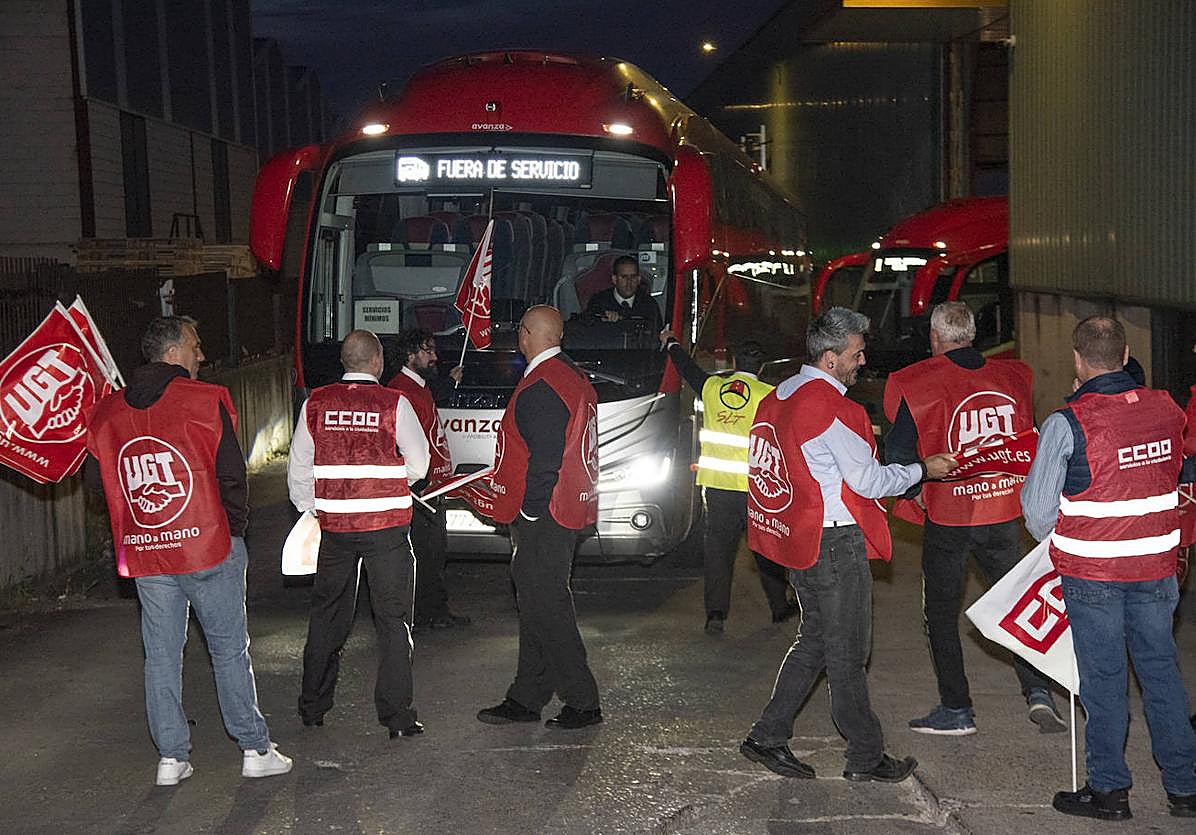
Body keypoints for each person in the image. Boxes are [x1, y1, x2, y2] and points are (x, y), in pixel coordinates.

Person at [739, 307, 956, 783]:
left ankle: (767, 736)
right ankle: (865, 754)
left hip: (800, 540)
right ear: (832, 357)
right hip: (834, 544)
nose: (863, 362)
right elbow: (870, 480)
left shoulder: (779, 396)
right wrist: (924, 469)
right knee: (849, 653)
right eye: (857, 354)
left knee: (815, 641)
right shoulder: (833, 408)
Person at [84, 316, 292, 786]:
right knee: (228, 651)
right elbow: (232, 474)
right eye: (195, 346)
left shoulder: (108, 411)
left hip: (147, 552)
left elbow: (98, 480)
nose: (201, 355)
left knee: (160, 654)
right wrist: (236, 531)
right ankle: (254, 747)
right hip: (208, 546)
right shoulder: (203, 399)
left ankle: (171, 758)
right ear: (174, 351)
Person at [1021, 316, 1196, 821]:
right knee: (1161, 673)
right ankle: (1184, 788)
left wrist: (1065, 538)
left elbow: (1036, 511)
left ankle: (1109, 791)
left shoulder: (1067, 421)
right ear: (1125, 356)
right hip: (1157, 570)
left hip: (1093, 575)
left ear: (1078, 360)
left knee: (1104, 680)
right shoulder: (1167, 408)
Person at [883, 301, 1064, 735]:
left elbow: (898, 452)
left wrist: (914, 491)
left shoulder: (917, 383)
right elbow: (1026, 441)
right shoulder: (1013, 376)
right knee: (1016, 605)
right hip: (1003, 513)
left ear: (934, 337)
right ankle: (1039, 692)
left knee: (941, 614)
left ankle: (957, 709)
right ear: (973, 335)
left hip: (950, 516)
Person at [288, 329, 430, 739]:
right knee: (393, 620)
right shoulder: (394, 404)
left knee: (327, 616)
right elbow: (418, 465)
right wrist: (385, 485)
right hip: (386, 528)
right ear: (377, 360)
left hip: (335, 529)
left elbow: (299, 467)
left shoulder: (316, 403)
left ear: (344, 361)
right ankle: (397, 718)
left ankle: (312, 708)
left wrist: (312, 509)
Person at [476, 305, 603, 730]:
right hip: (567, 507)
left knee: (547, 606)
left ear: (527, 335)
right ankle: (526, 696)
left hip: (546, 513)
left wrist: (527, 512)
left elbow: (544, 460)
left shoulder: (541, 385)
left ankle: (582, 701)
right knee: (534, 602)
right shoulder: (572, 375)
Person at [660, 330, 795, 633]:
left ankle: (716, 615)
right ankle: (779, 608)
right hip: (756, 489)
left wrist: (671, 343)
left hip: (718, 488)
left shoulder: (711, 387)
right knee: (765, 549)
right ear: (761, 368)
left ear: (733, 361)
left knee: (718, 552)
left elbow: (687, 368)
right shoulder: (770, 396)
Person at [386, 329, 470, 631]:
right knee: (427, 554)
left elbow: (431, 398)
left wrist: (449, 381)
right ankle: (427, 613)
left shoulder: (417, 387)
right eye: (427, 350)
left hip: (433, 487)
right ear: (411, 355)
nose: (434, 356)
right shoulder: (402, 391)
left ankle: (432, 609)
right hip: (421, 492)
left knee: (434, 553)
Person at [584, 254, 663, 329]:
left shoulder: (649, 305)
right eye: (624, 277)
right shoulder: (598, 302)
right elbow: (586, 330)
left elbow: (657, 336)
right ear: (614, 279)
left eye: (633, 277)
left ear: (639, 279)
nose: (629, 282)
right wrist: (602, 319)